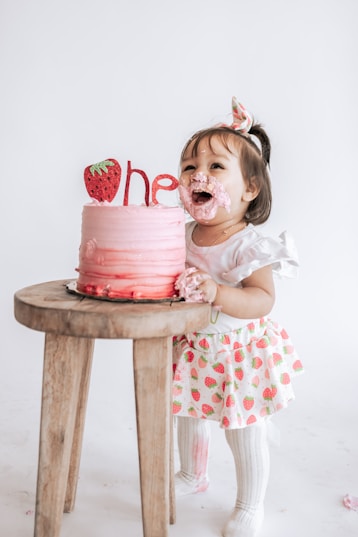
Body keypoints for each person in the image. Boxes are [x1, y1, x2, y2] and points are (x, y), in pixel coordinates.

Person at [172, 97, 303, 537]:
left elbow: (263, 300)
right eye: (189, 167)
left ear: (250, 189)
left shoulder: (249, 245)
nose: (198, 175)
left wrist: (218, 293)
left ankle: (250, 504)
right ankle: (193, 474)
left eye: (214, 167)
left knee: (242, 431)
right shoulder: (180, 234)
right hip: (193, 350)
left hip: (238, 354)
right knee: (186, 414)